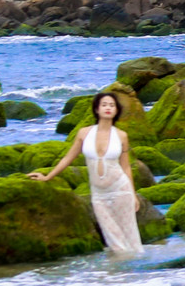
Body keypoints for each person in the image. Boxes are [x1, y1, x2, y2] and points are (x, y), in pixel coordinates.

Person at [28, 91, 144, 256]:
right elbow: (68, 158)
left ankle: (132, 276)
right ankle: (117, 276)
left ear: (116, 110)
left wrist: (133, 194)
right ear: (97, 109)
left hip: (120, 190)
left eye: (112, 105)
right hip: (99, 195)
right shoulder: (84, 133)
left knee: (131, 239)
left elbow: (125, 167)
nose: (108, 108)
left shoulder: (121, 136)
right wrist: (48, 177)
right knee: (114, 240)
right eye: (104, 105)